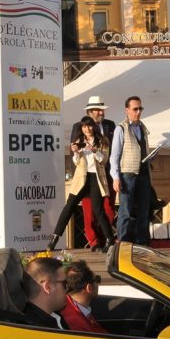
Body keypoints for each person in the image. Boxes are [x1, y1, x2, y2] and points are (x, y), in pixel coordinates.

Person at [47, 115, 116, 252]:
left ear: (93, 126)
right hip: (81, 179)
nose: (87, 129)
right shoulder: (79, 141)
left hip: (95, 178)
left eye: (89, 125)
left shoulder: (103, 141)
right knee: (69, 205)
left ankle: (110, 239)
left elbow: (104, 161)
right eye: (84, 126)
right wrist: (76, 153)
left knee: (98, 210)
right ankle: (54, 238)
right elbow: (76, 162)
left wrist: (95, 151)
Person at [69, 96, 116, 250]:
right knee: (88, 210)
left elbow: (113, 150)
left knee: (107, 208)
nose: (101, 112)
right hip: (87, 175)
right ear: (90, 111)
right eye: (97, 110)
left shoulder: (109, 125)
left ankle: (106, 238)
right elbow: (74, 149)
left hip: (106, 172)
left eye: (102, 109)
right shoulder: (78, 126)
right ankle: (94, 242)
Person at [110, 96, 152, 245]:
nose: (138, 112)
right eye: (135, 109)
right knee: (125, 211)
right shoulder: (120, 129)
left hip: (143, 173)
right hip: (127, 174)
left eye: (140, 108)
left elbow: (141, 150)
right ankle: (123, 244)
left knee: (143, 211)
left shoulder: (142, 128)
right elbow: (114, 156)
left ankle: (142, 243)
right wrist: (115, 177)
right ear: (127, 110)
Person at [59, 260, 108, 333]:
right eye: (97, 279)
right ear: (89, 288)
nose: (98, 283)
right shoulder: (79, 327)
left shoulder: (66, 304)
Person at [22, 256, 69, 329]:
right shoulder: (37, 331)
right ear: (47, 287)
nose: (67, 289)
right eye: (65, 284)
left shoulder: (55, 317)